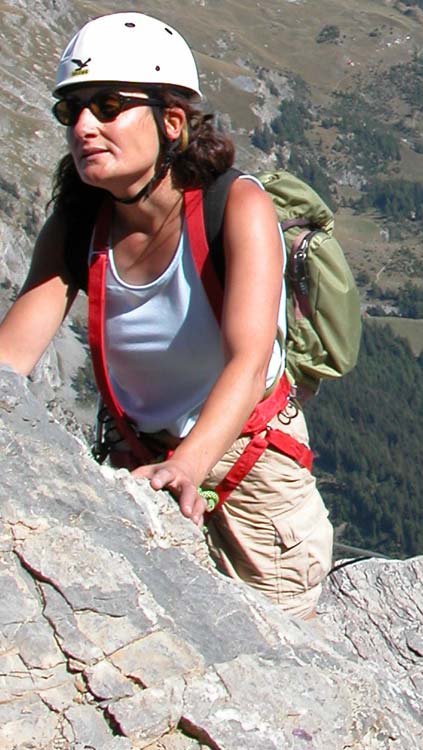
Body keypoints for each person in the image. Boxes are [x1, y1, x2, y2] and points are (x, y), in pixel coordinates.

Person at [0, 12, 332, 619]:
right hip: (139, 462)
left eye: (106, 105)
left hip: (248, 468)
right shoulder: (78, 226)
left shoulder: (238, 206)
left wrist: (189, 464)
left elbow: (249, 356)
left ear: (171, 121)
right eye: (70, 111)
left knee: (284, 654)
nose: (83, 127)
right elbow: (10, 360)